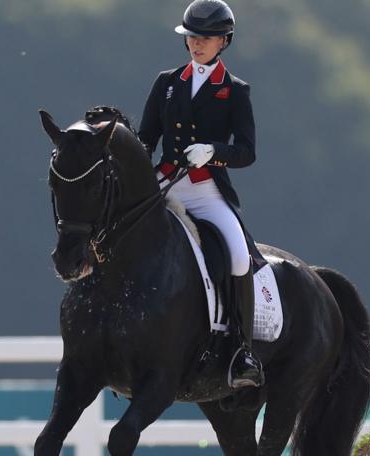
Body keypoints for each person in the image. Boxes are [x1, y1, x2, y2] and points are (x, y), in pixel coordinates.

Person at [137, 0, 264, 390]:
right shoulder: (167, 83)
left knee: (240, 257)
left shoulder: (234, 91)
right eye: (192, 37)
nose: (197, 44)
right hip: (165, 184)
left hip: (207, 191)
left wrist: (213, 151)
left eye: (205, 38)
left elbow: (246, 151)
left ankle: (243, 351)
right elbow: (146, 139)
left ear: (223, 41)